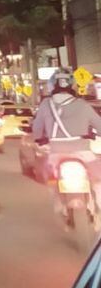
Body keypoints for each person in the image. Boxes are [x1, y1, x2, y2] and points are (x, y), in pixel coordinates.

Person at [32, 68, 101, 224]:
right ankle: (98, 206)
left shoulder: (45, 104)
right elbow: (99, 125)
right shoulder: (83, 105)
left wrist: (39, 139)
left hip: (56, 154)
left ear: (52, 85)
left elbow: (37, 128)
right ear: (72, 85)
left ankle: (59, 205)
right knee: (97, 180)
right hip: (82, 152)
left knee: (50, 179)